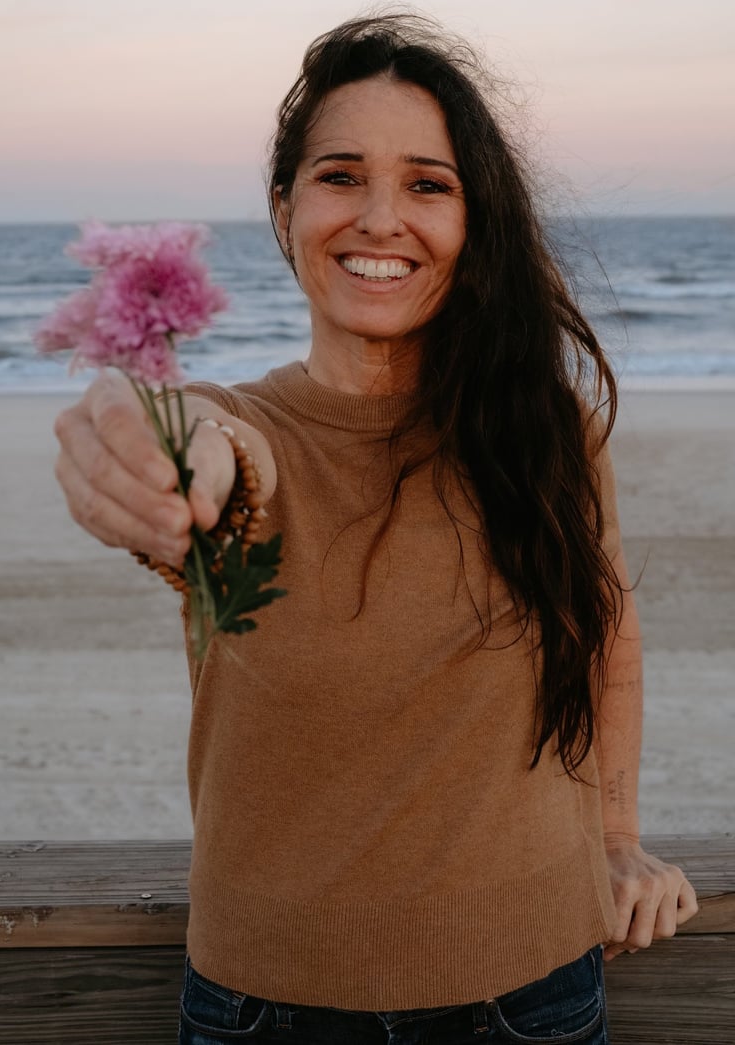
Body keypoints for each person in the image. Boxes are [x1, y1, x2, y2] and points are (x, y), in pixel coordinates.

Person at [53, 14, 698, 1045]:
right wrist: (146, 446)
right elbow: (209, 450)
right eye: (342, 175)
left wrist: (617, 835)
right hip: (259, 1001)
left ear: (473, 220)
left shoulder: (544, 430)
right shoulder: (245, 426)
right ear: (284, 208)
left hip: (531, 991)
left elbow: (605, 629)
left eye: (429, 184)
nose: (382, 217)